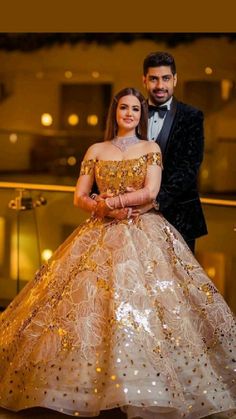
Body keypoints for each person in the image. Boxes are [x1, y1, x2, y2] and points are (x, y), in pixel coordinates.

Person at [0, 88, 235, 419]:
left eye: (135, 109)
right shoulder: (96, 149)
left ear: (141, 114)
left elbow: (151, 191)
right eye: (124, 108)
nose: (129, 114)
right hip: (100, 229)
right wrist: (104, 209)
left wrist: (114, 202)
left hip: (145, 231)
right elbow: (79, 196)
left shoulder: (150, 148)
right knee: (83, 307)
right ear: (115, 112)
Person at [142, 51, 208, 253]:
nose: (160, 85)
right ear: (144, 80)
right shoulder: (131, 113)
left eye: (166, 78)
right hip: (135, 219)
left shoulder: (192, 116)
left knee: (179, 284)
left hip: (180, 218)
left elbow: (189, 168)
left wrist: (155, 202)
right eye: (153, 79)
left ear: (175, 79)